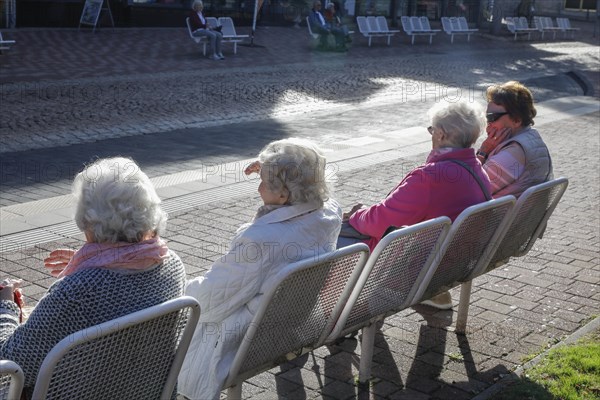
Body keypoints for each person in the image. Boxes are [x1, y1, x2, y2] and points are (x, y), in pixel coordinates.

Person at [0, 157, 185, 398]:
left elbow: (11, 361)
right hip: (140, 391)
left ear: (87, 219)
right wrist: (92, 261)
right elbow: (125, 288)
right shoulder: (172, 265)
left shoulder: (79, 292)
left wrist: (7, 306)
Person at [178, 138, 342, 400]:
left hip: (247, 338)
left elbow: (210, 299)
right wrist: (277, 167)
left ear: (283, 195)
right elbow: (312, 173)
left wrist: (179, 290)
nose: (258, 187)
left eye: (265, 183)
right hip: (294, 321)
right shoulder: (329, 214)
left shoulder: (260, 240)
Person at [339, 101, 491, 309]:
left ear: (440, 134)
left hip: (418, 267)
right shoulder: (477, 169)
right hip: (456, 261)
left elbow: (380, 222)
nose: (431, 135)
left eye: (431, 130)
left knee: (337, 235)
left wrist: (356, 215)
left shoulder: (430, 177)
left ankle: (340, 313)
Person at [476, 81, 553, 198]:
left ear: (517, 120)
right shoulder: (531, 137)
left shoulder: (513, 154)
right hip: (521, 214)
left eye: (493, 117)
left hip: (499, 215)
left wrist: (483, 152)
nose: (488, 123)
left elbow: (471, 190)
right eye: (487, 117)